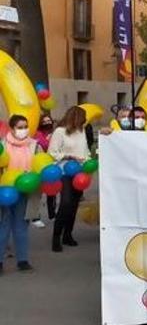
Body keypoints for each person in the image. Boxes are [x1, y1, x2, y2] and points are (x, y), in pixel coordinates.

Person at [0, 114, 40, 273]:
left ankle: (22, 260)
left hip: (25, 189)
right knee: (4, 225)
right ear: (12, 128)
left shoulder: (34, 145)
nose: (23, 130)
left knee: (21, 225)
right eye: (20, 127)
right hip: (5, 190)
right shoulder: (3, 144)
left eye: (25, 126)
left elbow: (39, 164)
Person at [48, 106, 90, 253]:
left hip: (80, 173)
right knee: (65, 203)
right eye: (83, 118)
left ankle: (68, 234)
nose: (84, 122)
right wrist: (68, 156)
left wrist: (87, 161)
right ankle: (56, 236)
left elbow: (85, 151)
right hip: (65, 170)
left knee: (74, 205)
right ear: (76, 117)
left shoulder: (82, 131)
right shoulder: (60, 132)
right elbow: (52, 151)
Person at [33, 113, 55, 224]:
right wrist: (48, 140)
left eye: (48, 121)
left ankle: (52, 214)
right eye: (44, 121)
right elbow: (41, 147)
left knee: (52, 190)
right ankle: (35, 217)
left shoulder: (55, 133)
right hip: (40, 166)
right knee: (38, 192)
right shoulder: (37, 134)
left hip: (52, 165)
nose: (47, 123)